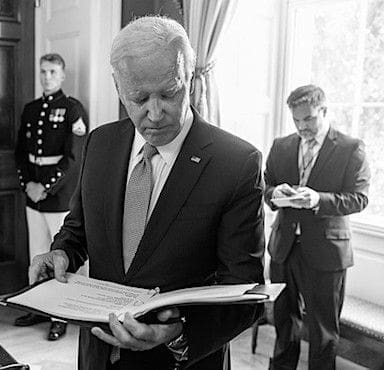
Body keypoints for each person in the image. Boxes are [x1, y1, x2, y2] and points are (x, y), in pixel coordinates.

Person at [28, 16, 265, 369]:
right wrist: (61, 252)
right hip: (99, 354)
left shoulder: (236, 163)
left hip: (180, 360)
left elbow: (246, 292)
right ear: (117, 86)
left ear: (190, 79)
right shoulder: (101, 142)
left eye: (169, 93)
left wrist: (179, 334)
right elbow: (78, 230)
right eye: (138, 98)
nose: (154, 114)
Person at [265, 85, 370, 370]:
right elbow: (266, 187)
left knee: (323, 332)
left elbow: (359, 198)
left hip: (327, 253)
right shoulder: (281, 146)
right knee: (283, 324)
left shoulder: (351, 148)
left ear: (324, 111)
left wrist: (317, 199)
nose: (302, 127)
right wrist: (275, 194)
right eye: (296, 120)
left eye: (309, 119)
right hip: (283, 250)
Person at [14, 53, 88, 340]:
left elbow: (73, 157)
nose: (47, 76)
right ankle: (38, 307)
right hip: (33, 194)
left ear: (62, 75)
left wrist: (46, 186)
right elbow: (21, 152)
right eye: (43, 71)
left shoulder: (72, 109)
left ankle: (60, 315)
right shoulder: (30, 109)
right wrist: (28, 184)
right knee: (37, 254)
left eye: (53, 71)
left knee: (59, 255)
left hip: (57, 196)